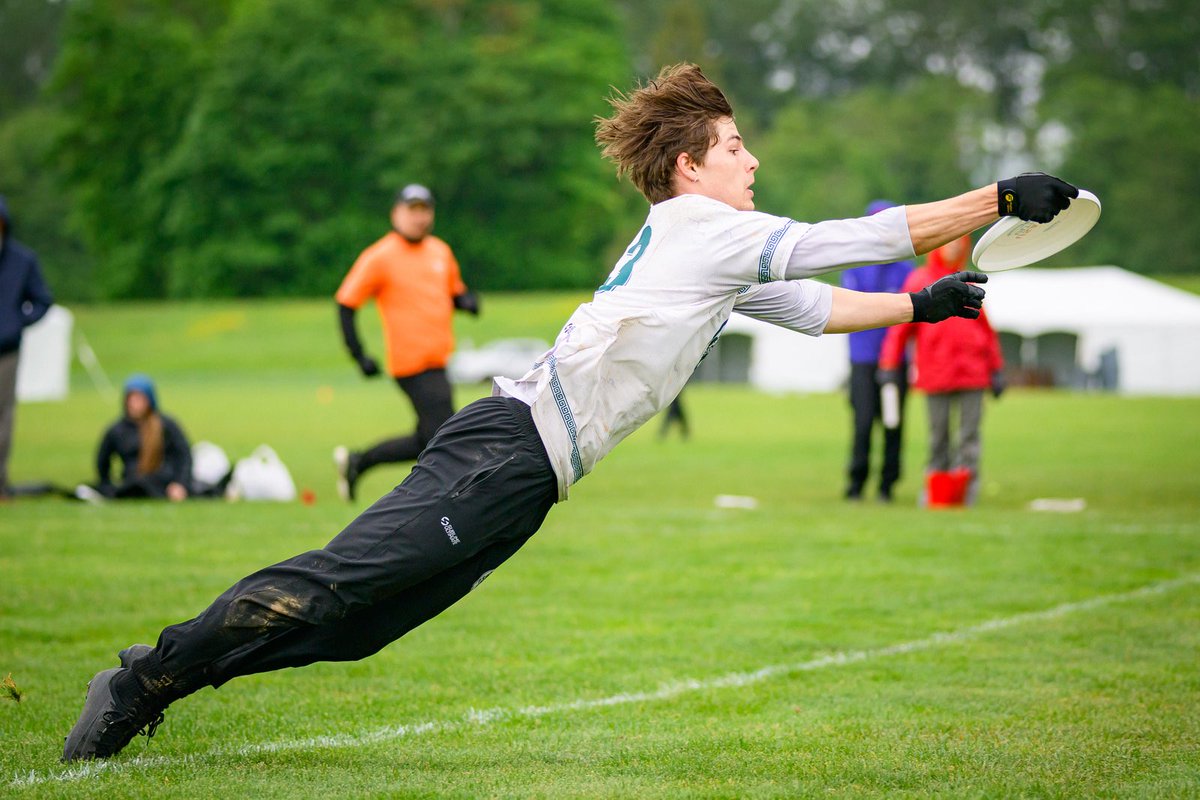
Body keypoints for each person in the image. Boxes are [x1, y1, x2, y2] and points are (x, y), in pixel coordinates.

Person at [62, 63, 1077, 762]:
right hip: (503, 451)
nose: (751, 162)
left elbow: (812, 307)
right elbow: (841, 241)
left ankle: (160, 679)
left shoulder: (708, 249)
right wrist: (993, 197)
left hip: (525, 475)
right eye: (735, 147)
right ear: (690, 167)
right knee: (334, 585)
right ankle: (145, 680)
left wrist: (918, 307)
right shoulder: (700, 225)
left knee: (358, 628)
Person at [333, 184, 480, 501]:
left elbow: (454, 292)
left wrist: (466, 302)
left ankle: (359, 462)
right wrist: (358, 354)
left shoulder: (440, 251)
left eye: (425, 210)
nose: (419, 217)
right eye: (412, 210)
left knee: (429, 437)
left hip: (439, 360)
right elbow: (346, 303)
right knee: (447, 436)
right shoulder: (380, 256)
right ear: (395, 214)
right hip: (411, 364)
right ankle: (439, 500)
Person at [877, 235, 1006, 506]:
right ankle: (936, 489)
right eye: (950, 242)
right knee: (939, 437)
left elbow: (985, 330)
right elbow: (901, 327)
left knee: (969, 436)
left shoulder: (968, 283)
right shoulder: (919, 280)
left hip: (972, 372)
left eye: (960, 243)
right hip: (935, 371)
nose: (955, 247)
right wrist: (889, 363)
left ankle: (966, 493)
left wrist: (996, 369)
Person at [839, 200, 915, 502]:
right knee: (862, 422)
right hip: (862, 360)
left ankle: (887, 484)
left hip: (894, 362)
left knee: (893, 422)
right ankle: (857, 481)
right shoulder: (855, 267)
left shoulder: (905, 270)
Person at [0, 194, 54, 499]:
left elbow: (43, 299)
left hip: (5, 350)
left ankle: (0, 481)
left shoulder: (22, 260)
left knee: (2, 416)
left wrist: (16, 322)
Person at [75, 374, 193, 503]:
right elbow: (102, 460)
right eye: (131, 399)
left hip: (163, 482)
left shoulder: (166, 425)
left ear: (149, 400)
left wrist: (180, 484)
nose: (134, 403)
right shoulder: (117, 430)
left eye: (139, 399)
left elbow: (184, 455)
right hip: (132, 482)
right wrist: (105, 483)